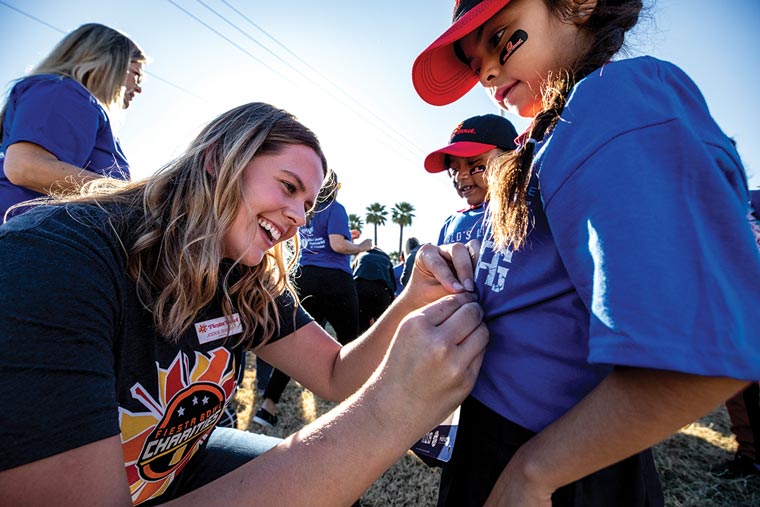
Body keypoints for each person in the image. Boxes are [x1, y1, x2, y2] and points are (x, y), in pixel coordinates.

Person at [0, 102, 489, 507]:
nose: (299, 216)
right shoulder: (54, 258)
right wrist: (388, 413)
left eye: (308, 204)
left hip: (176, 464)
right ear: (218, 158)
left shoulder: (240, 273)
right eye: (288, 187)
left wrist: (412, 297)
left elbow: (338, 373)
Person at [411, 1, 760, 505]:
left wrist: (532, 473)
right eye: (472, 61)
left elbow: (703, 352)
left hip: (555, 457)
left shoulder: (610, 102)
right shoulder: (552, 132)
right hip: (498, 437)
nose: (485, 70)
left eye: (499, 36)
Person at [253, 171, 372, 427]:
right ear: (335, 187)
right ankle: (363, 410)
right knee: (353, 341)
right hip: (335, 280)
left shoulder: (306, 212)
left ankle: (267, 406)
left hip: (304, 278)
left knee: (294, 345)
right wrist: (363, 246)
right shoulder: (336, 208)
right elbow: (338, 245)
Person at [0, 23, 147, 220]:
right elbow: (25, 168)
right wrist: (133, 195)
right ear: (107, 62)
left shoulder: (79, 104)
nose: (138, 89)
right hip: (21, 238)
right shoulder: (62, 92)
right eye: (136, 75)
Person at [712, 189, 760, 478]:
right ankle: (749, 453)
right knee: (739, 387)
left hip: (745, 303)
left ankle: (750, 455)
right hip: (739, 303)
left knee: (740, 384)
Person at [424, 113, 518, 246]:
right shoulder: (450, 224)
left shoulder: (528, 209)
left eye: (473, 162)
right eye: (454, 169)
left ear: (511, 159)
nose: (460, 175)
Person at [353, 246, 397, 333]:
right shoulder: (386, 259)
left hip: (361, 288)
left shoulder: (361, 256)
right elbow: (393, 284)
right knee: (382, 324)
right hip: (382, 289)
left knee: (362, 324)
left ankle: (362, 342)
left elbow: (353, 276)